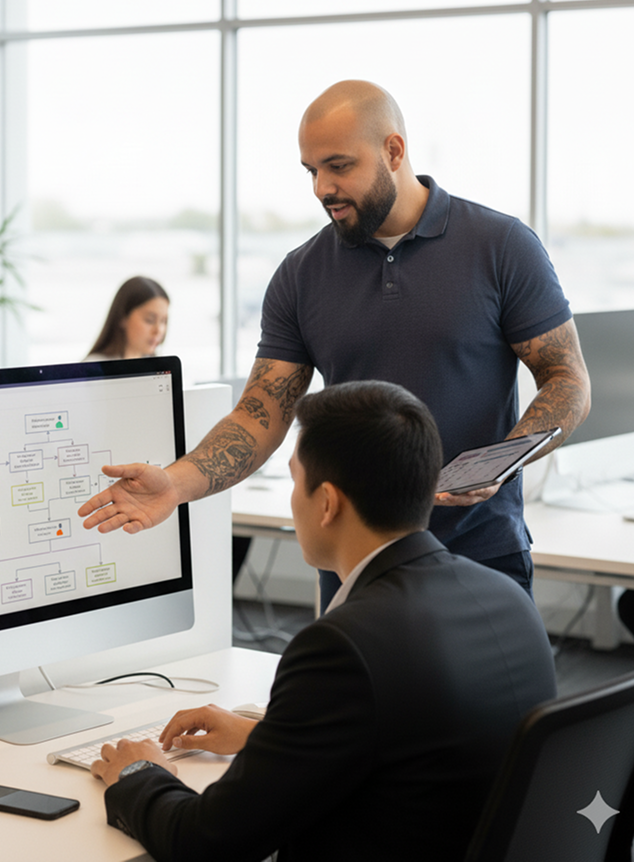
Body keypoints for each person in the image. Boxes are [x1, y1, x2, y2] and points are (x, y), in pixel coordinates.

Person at [78, 80, 590, 605]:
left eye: (339, 166)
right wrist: (177, 483)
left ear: (394, 150)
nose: (322, 187)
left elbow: (567, 379)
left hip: (480, 554)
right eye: (311, 170)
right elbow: (259, 416)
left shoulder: (501, 246)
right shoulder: (301, 274)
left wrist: (503, 459)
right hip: (354, 566)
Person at [92, 381, 558, 862]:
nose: (293, 501)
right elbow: (425, 749)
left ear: (328, 503)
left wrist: (138, 773)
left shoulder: (341, 646)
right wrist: (268, 739)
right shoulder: (508, 597)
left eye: (296, 482)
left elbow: (205, 842)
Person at [85, 276, 169, 361]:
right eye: (149, 320)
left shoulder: (158, 366)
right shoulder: (92, 368)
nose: (159, 330)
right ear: (123, 317)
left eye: (163, 321)